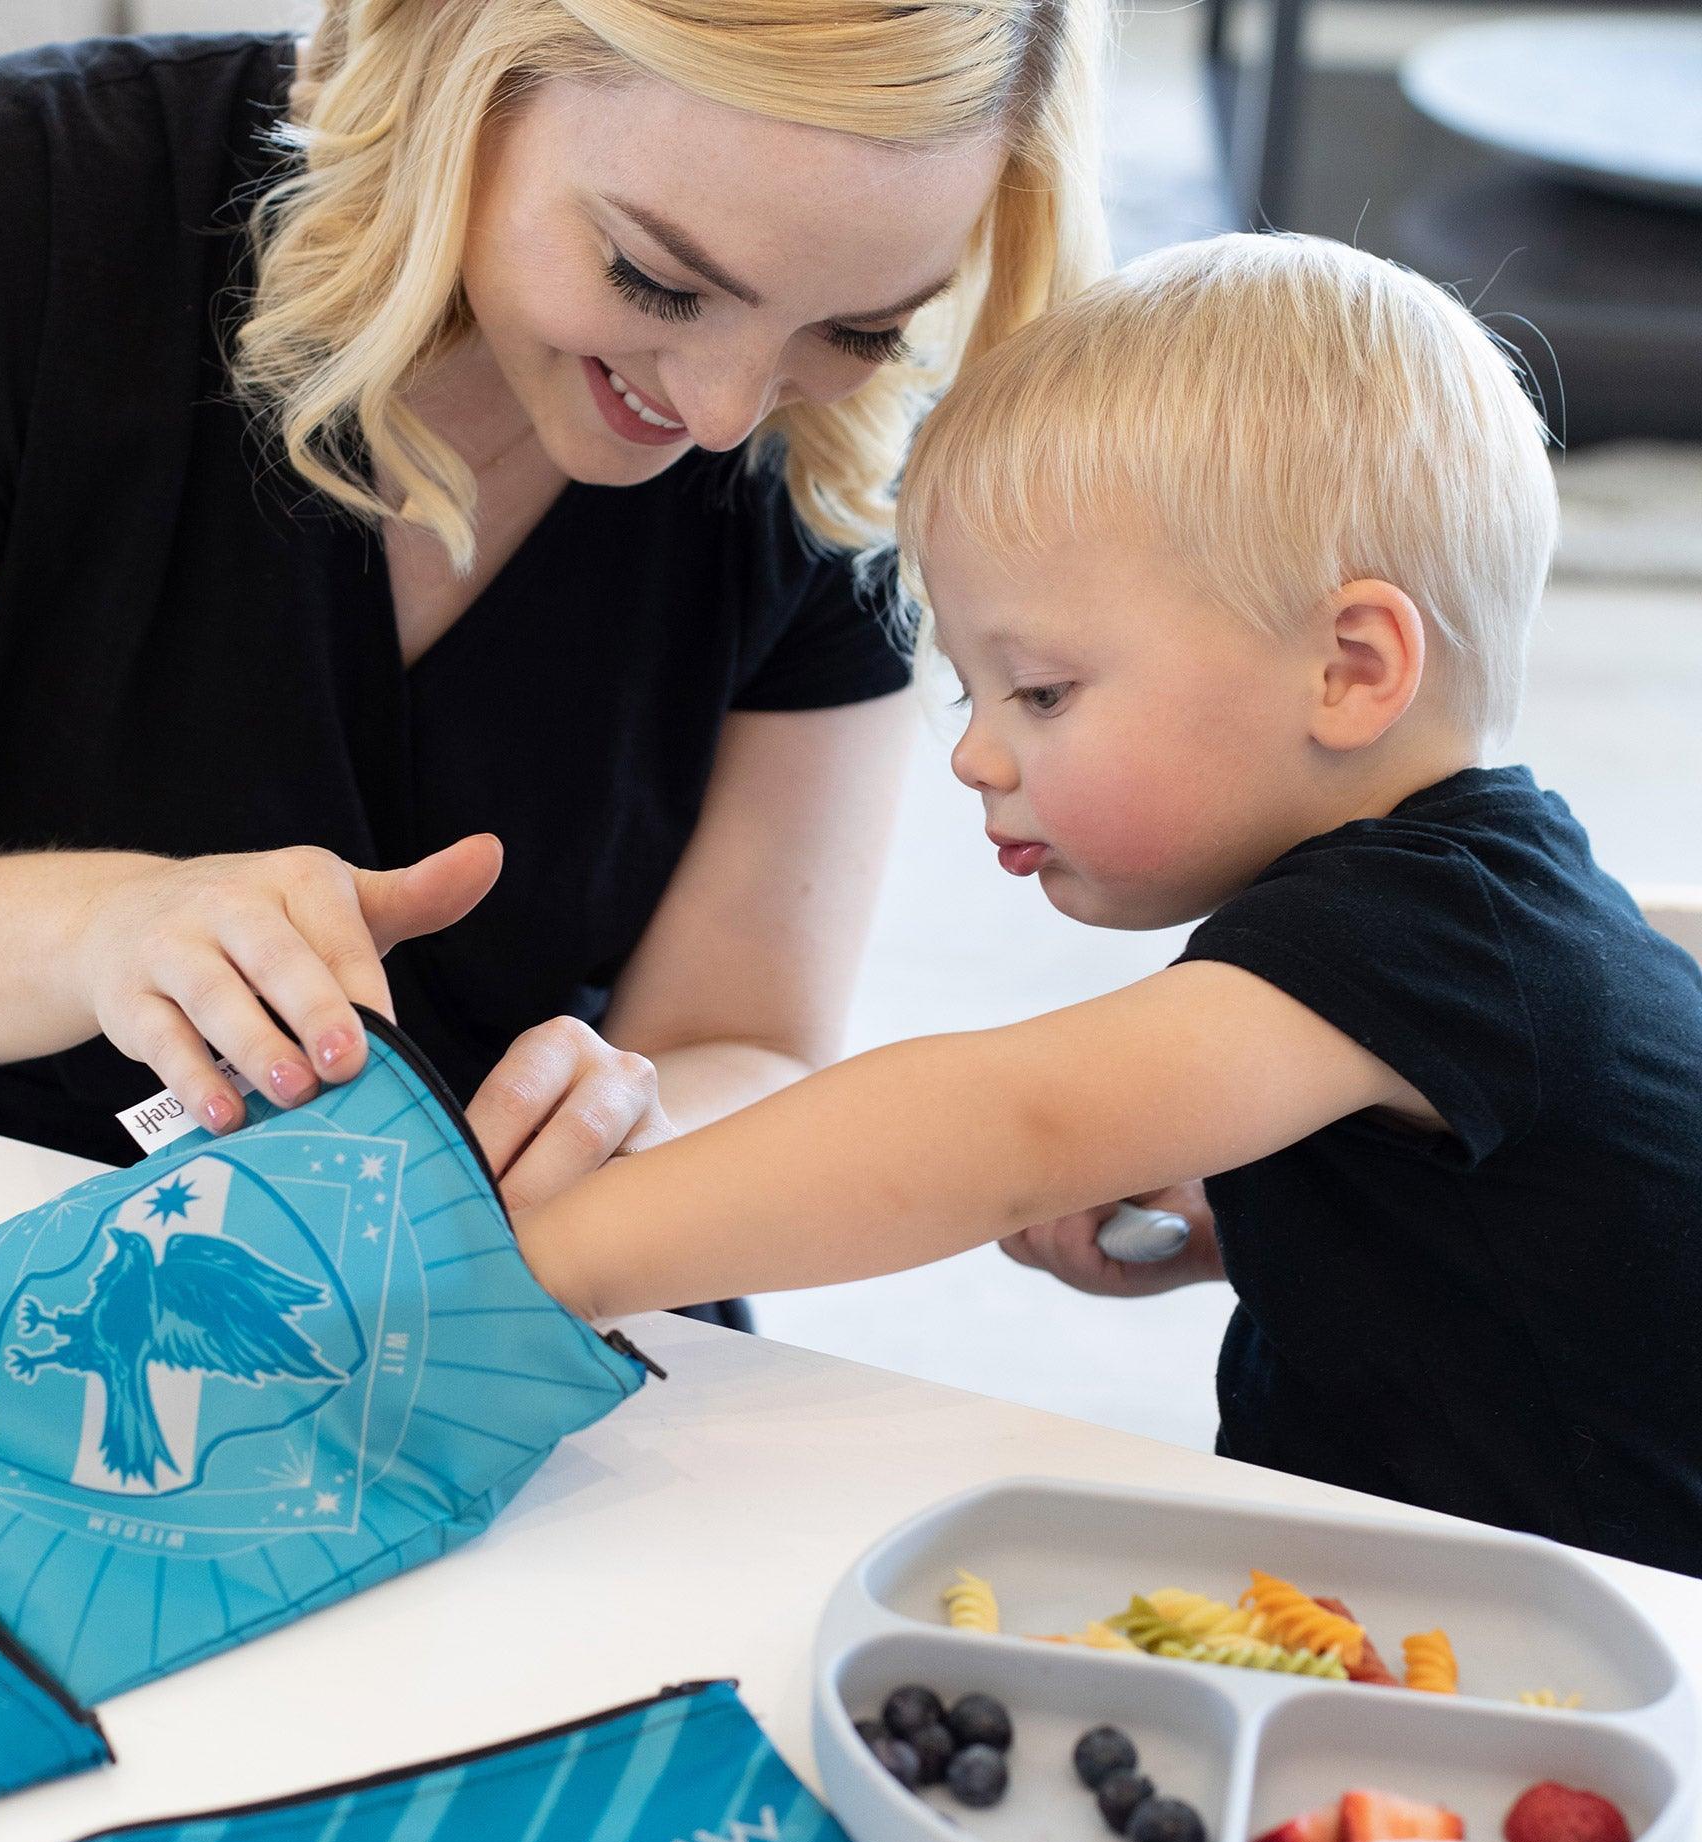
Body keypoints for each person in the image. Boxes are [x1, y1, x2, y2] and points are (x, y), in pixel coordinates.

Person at [0, 2, 1106, 1301]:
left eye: (861, 325)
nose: (731, 409)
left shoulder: (823, 457)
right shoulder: (15, 214)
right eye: (658, 278)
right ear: (462, 70)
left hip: (496, 1336)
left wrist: (641, 1119)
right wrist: (97, 933)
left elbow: (754, 1038)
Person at [518, 232, 1702, 1573]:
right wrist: (1268, 1231)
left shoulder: (1412, 935)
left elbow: (1008, 1122)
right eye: (970, 694)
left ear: (1350, 669)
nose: (973, 752)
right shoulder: (1480, 901)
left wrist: (552, 1262)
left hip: (1622, 1657)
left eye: (1040, 691)